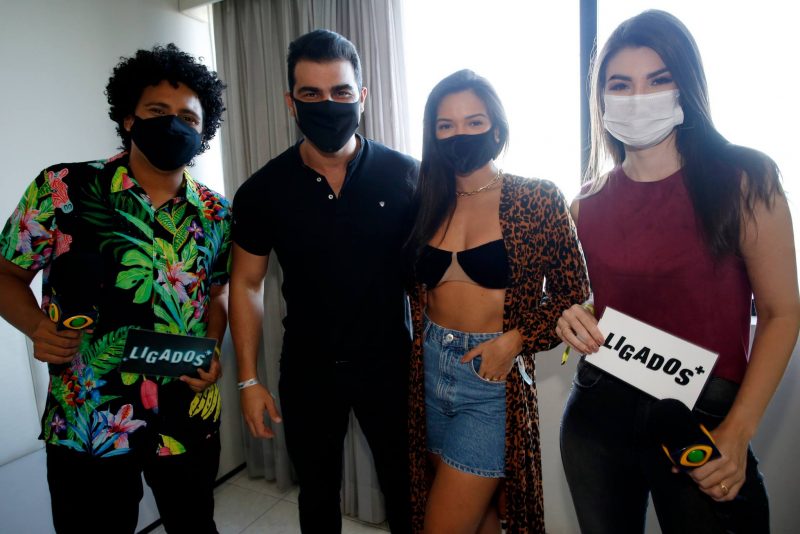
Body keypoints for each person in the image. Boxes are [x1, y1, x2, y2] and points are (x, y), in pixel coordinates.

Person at [556, 10, 800, 534]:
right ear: (601, 99)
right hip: (599, 413)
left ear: (685, 86)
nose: (638, 97)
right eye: (621, 85)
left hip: (700, 419)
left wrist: (738, 431)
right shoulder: (585, 204)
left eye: (658, 79)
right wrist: (570, 315)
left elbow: (781, 312)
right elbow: (592, 302)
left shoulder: (746, 180)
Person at [0, 44, 230, 534]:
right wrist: (36, 326)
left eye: (188, 118)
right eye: (157, 111)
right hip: (88, 418)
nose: (173, 125)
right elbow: (6, 274)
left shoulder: (217, 213)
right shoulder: (62, 188)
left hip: (185, 415)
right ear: (129, 118)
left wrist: (213, 346)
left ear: (203, 131)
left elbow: (217, 295)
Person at [228, 29, 416, 533]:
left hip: (391, 366)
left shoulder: (407, 176)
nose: (327, 105)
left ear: (362, 97)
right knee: (316, 498)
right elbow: (246, 284)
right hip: (308, 368)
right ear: (290, 102)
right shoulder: (262, 190)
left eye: (340, 92)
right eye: (311, 93)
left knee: (406, 491)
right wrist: (248, 380)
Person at [406, 69, 591, 534]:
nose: (460, 134)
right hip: (430, 370)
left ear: (497, 128)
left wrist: (516, 340)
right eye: (445, 125)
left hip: (490, 380)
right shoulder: (425, 200)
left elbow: (574, 294)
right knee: (479, 517)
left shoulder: (537, 197)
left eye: (474, 122)